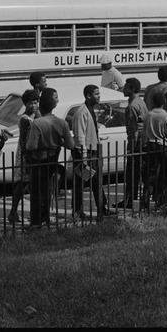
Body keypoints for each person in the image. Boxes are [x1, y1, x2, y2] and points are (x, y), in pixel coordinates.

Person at [25, 88, 75, 227]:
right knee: (47, 189)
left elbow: (31, 146)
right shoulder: (62, 123)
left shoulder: (38, 123)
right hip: (53, 158)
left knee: (36, 191)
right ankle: (46, 217)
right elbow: (70, 145)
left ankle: (36, 221)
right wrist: (57, 142)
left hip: (38, 160)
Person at [70, 85, 110, 220]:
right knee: (80, 183)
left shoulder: (91, 110)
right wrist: (84, 157)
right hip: (85, 153)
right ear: (88, 96)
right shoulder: (82, 112)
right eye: (96, 94)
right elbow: (80, 136)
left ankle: (102, 208)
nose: (99, 96)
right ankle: (77, 210)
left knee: (97, 181)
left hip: (93, 151)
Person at [8, 89, 40, 224]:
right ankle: (13, 211)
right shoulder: (25, 119)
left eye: (35, 103)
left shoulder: (35, 115)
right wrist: (26, 157)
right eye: (30, 103)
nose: (33, 106)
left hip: (31, 152)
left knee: (27, 183)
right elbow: (23, 139)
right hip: (25, 153)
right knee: (22, 183)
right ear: (25, 104)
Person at [143, 89, 167, 208]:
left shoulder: (148, 114)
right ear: (164, 102)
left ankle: (146, 198)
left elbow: (144, 131)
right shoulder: (166, 115)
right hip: (163, 145)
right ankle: (163, 199)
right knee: (165, 173)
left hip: (150, 145)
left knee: (150, 173)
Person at [119, 78, 148, 210]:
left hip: (137, 142)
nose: (123, 89)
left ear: (132, 89)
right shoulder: (141, 102)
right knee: (140, 172)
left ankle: (129, 200)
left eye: (126, 87)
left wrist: (131, 148)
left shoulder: (132, 107)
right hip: (143, 140)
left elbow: (133, 130)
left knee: (132, 172)